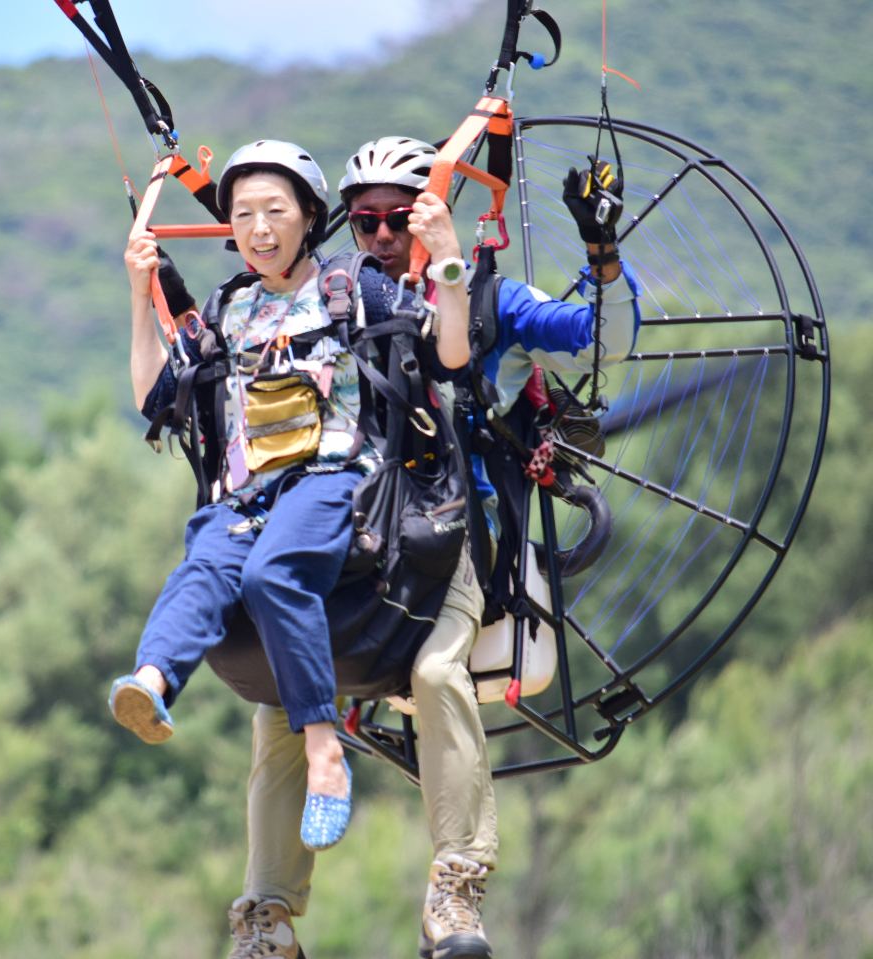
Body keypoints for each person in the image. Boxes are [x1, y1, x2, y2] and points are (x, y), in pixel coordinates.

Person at [222, 137, 640, 959]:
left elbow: (604, 341)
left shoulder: (490, 302)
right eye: (365, 219)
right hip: (350, 540)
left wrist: (602, 253)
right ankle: (266, 917)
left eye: (399, 218)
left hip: (450, 543)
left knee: (436, 670)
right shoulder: (338, 301)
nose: (379, 235)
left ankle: (456, 888)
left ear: (433, 215)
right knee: (280, 694)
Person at [110, 140, 473, 855]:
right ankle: (151, 681)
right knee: (205, 563)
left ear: (310, 216)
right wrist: (137, 294)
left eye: (275, 210)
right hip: (249, 491)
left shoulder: (356, 287)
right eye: (243, 214)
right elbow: (155, 396)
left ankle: (323, 752)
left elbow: (449, 354)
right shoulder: (228, 308)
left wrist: (449, 260)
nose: (258, 226)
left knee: (272, 573)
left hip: (334, 478)